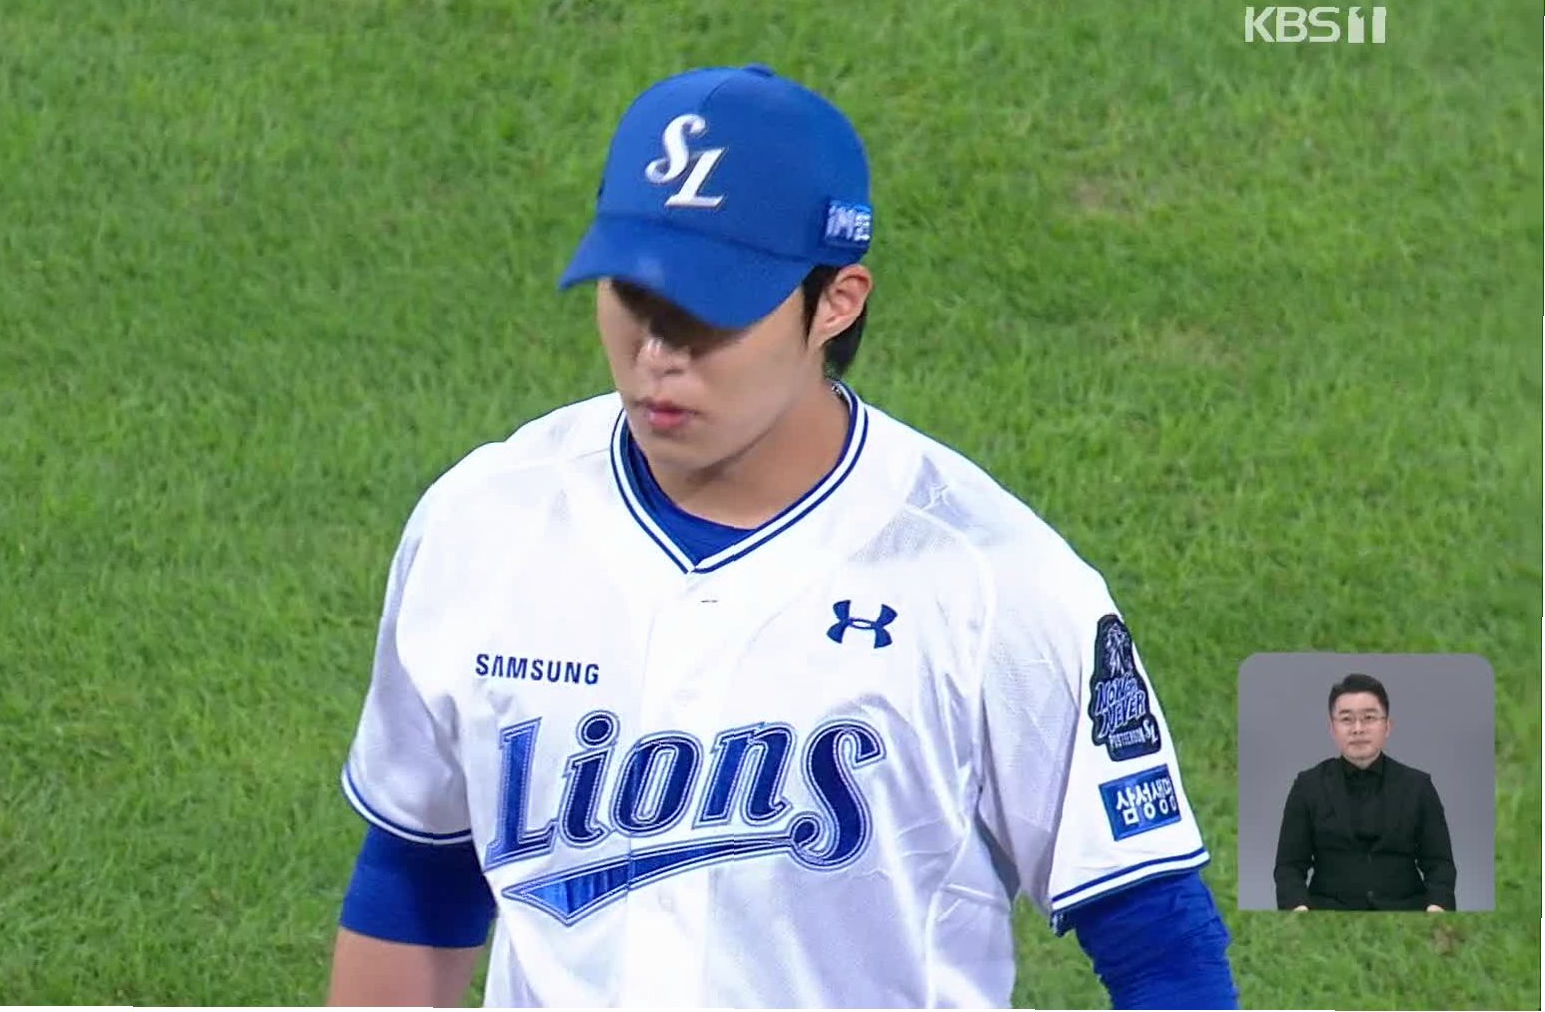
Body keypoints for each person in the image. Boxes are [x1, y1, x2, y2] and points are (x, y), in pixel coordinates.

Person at [325, 64, 1237, 1008]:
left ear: (836, 300)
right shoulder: (487, 520)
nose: (657, 354)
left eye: (708, 308)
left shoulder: (993, 582)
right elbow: (420, 873)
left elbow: (1161, 948)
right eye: (632, 294)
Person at [1273, 673, 1457, 912]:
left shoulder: (1418, 786)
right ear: (1332, 728)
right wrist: (1300, 911)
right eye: (1346, 719)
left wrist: (1436, 908)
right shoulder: (1307, 786)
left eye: (1369, 718)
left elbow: (1440, 864)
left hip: (1405, 912)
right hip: (1328, 915)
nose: (1358, 729)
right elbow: (1288, 867)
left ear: (1387, 726)